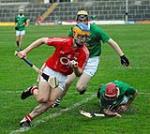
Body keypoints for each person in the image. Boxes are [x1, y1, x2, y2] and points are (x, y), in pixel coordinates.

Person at [16, 23, 90, 128]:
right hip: (49, 71)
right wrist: (25, 51)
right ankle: (33, 89)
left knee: (50, 102)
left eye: (85, 37)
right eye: (81, 36)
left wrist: (75, 67)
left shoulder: (85, 52)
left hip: (63, 77)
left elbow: (79, 73)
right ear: (74, 34)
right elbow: (42, 40)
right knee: (42, 99)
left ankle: (27, 119)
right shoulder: (63, 42)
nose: (83, 39)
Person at [53, 10, 130, 106]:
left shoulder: (96, 30)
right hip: (78, 58)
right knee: (67, 81)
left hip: (91, 61)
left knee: (79, 88)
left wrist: (122, 56)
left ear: (87, 20)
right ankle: (58, 99)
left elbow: (111, 42)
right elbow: (68, 43)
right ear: (76, 21)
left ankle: (87, 87)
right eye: (79, 21)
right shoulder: (74, 30)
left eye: (84, 20)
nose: (82, 23)